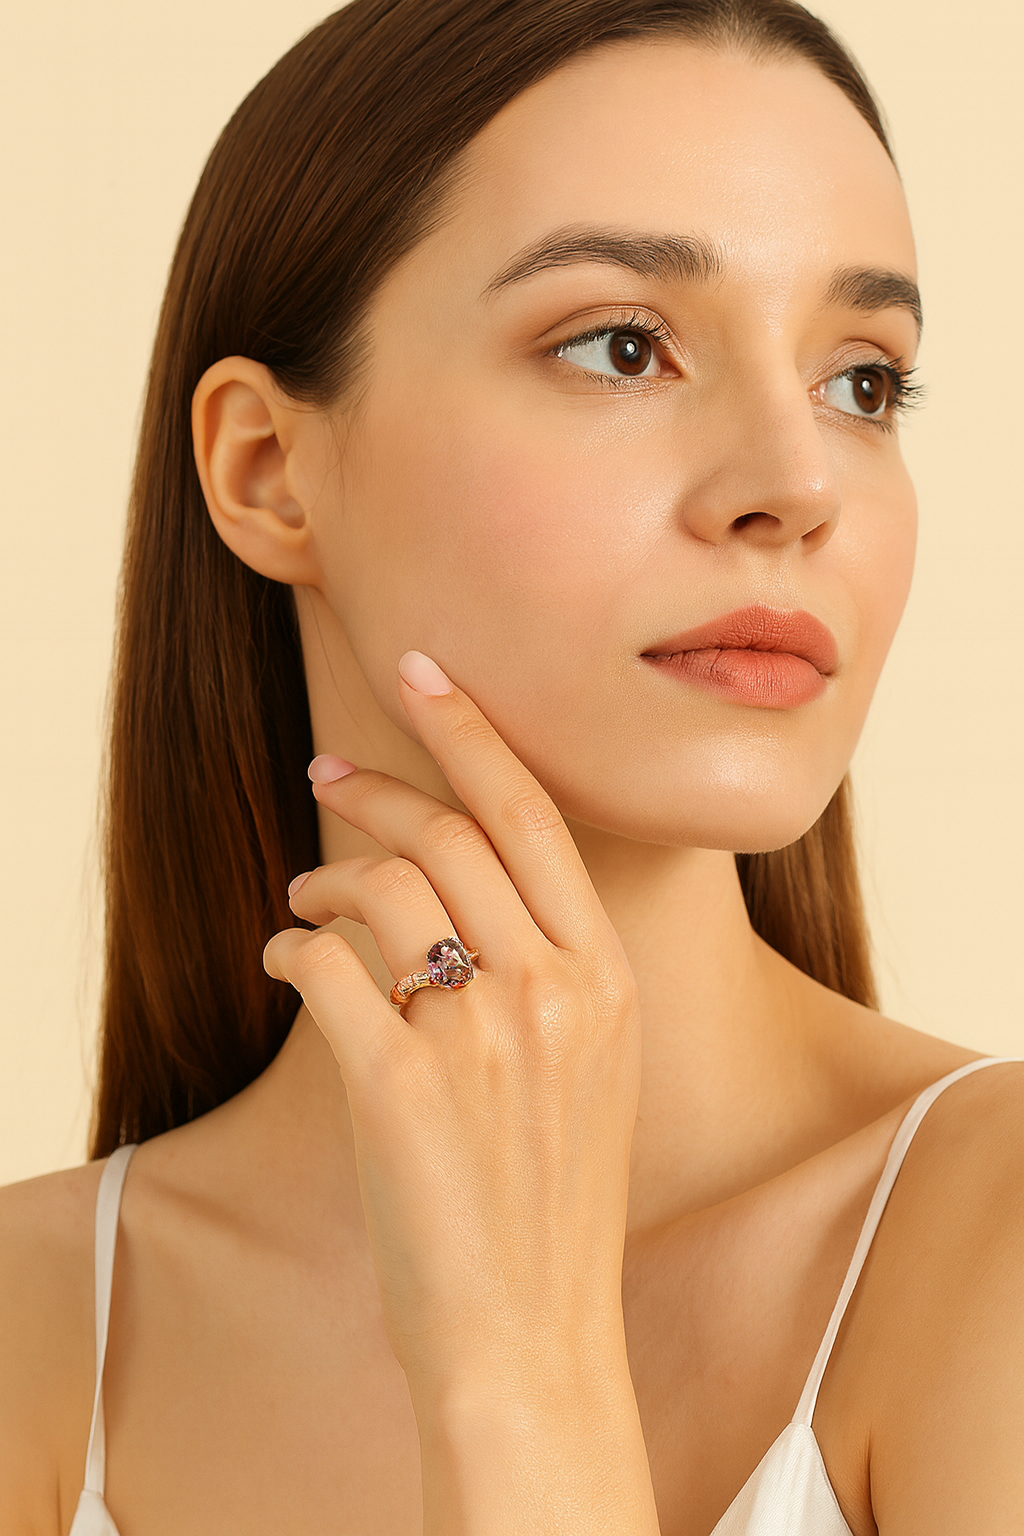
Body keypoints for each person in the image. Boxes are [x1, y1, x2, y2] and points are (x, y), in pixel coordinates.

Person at [2, 0, 1022, 1530]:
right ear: (267, 471)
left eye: (862, 381)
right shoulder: (32, 1328)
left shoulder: (992, 1239)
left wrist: (522, 1374)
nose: (797, 483)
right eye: (623, 347)